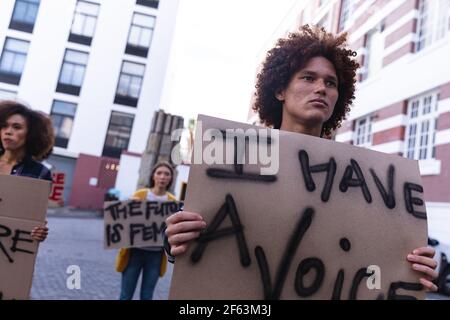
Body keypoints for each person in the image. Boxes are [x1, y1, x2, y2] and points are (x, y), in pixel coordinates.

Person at [165, 25, 439, 293]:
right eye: (308, 78)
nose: (321, 88)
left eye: (330, 83)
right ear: (280, 90)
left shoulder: (362, 181)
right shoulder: (235, 156)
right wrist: (177, 239)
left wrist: (411, 268)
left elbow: (368, 258)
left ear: (337, 99)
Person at [119, 161, 176, 300]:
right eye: (159, 173)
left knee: (147, 295)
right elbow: (123, 221)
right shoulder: (140, 195)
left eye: (166, 174)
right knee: (125, 295)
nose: (162, 177)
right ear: (153, 176)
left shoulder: (172, 202)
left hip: (156, 255)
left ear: (170, 179)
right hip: (134, 252)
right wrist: (128, 208)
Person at [0, 100, 54, 242]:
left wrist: (39, 232)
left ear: (30, 134)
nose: (8, 131)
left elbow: (32, 219)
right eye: (4, 126)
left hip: (9, 249)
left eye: (17, 127)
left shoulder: (41, 174)